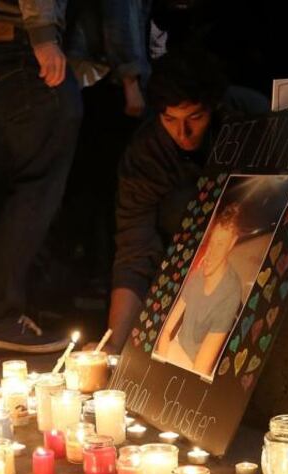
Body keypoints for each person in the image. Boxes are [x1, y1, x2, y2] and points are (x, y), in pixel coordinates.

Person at [100, 49, 267, 354]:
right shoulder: (146, 155)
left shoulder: (250, 119)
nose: (183, 133)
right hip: (184, 270)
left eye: (195, 117)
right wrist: (113, 343)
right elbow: (134, 250)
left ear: (214, 107)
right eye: (170, 119)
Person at [0, 0, 83, 353]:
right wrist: (43, 35)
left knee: (10, 183)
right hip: (21, 41)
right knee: (37, 183)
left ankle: (1, 307)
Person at [154, 203, 242, 376]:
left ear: (232, 244)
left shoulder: (230, 292)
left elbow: (200, 369)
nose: (210, 252)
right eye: (211, 242)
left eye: (220, 244)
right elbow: (166, 330)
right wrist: (162, 364)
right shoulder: (197, 275)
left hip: (191, 368)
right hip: (172, 351)